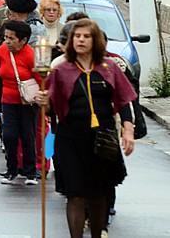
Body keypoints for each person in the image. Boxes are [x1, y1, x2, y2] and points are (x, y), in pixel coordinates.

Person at [37, 18, 136, 238]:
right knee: (75, 194)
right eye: (77, 36)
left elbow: (123, 100)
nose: (81, 40)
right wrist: (44, 102)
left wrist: (128, 131)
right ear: (71, 41)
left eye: (86, 36)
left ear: (95, 40)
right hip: (70, 139)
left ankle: (98, 232)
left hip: (102, 138)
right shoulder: (61, 70)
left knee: (98, 193)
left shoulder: (109, 68)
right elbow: (51, 109)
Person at [0, 20, 41, 185]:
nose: (7, 41)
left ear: (23, 40)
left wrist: (43, 95)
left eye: (11, 38)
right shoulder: (2, 51)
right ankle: (12, 170)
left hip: (28, 102)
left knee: (27, 136)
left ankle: (30, 172)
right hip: (8, 100)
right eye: (6, 37)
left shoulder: (31, 55)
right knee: (9, 136)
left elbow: (40, 78)